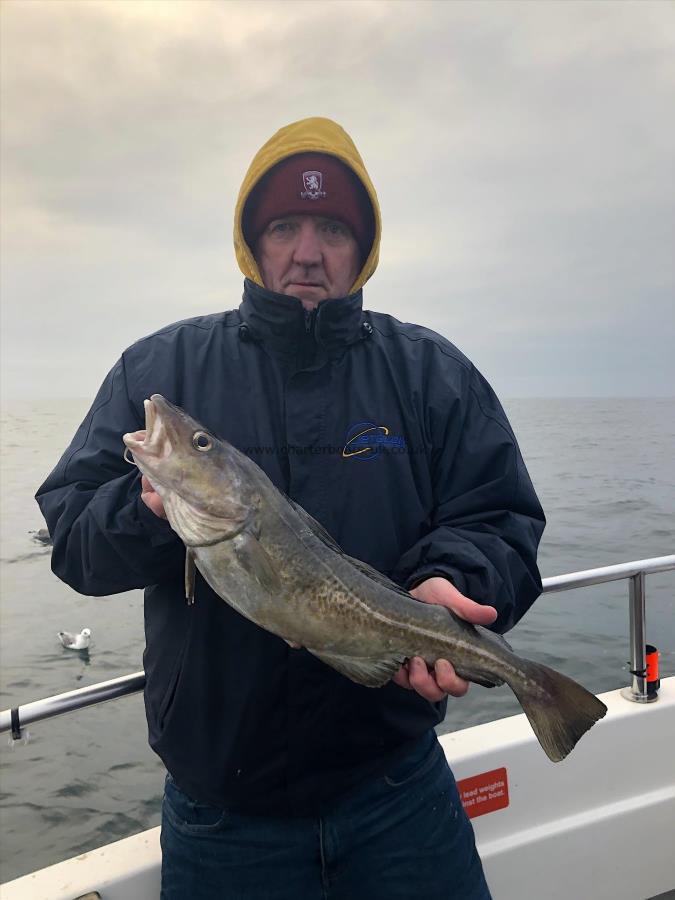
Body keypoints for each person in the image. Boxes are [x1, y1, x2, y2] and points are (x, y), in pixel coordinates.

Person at [36, 116, 545, 899]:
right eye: (283, 226)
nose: (306, 252)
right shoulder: (161, 368)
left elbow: (500, 518)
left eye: (332, 228)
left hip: (397, 794)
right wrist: (145, 509)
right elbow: (71, 537)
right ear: (251, 240)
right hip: (222, 818)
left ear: (363, 244)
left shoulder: (429, 374)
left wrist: (455, 577)